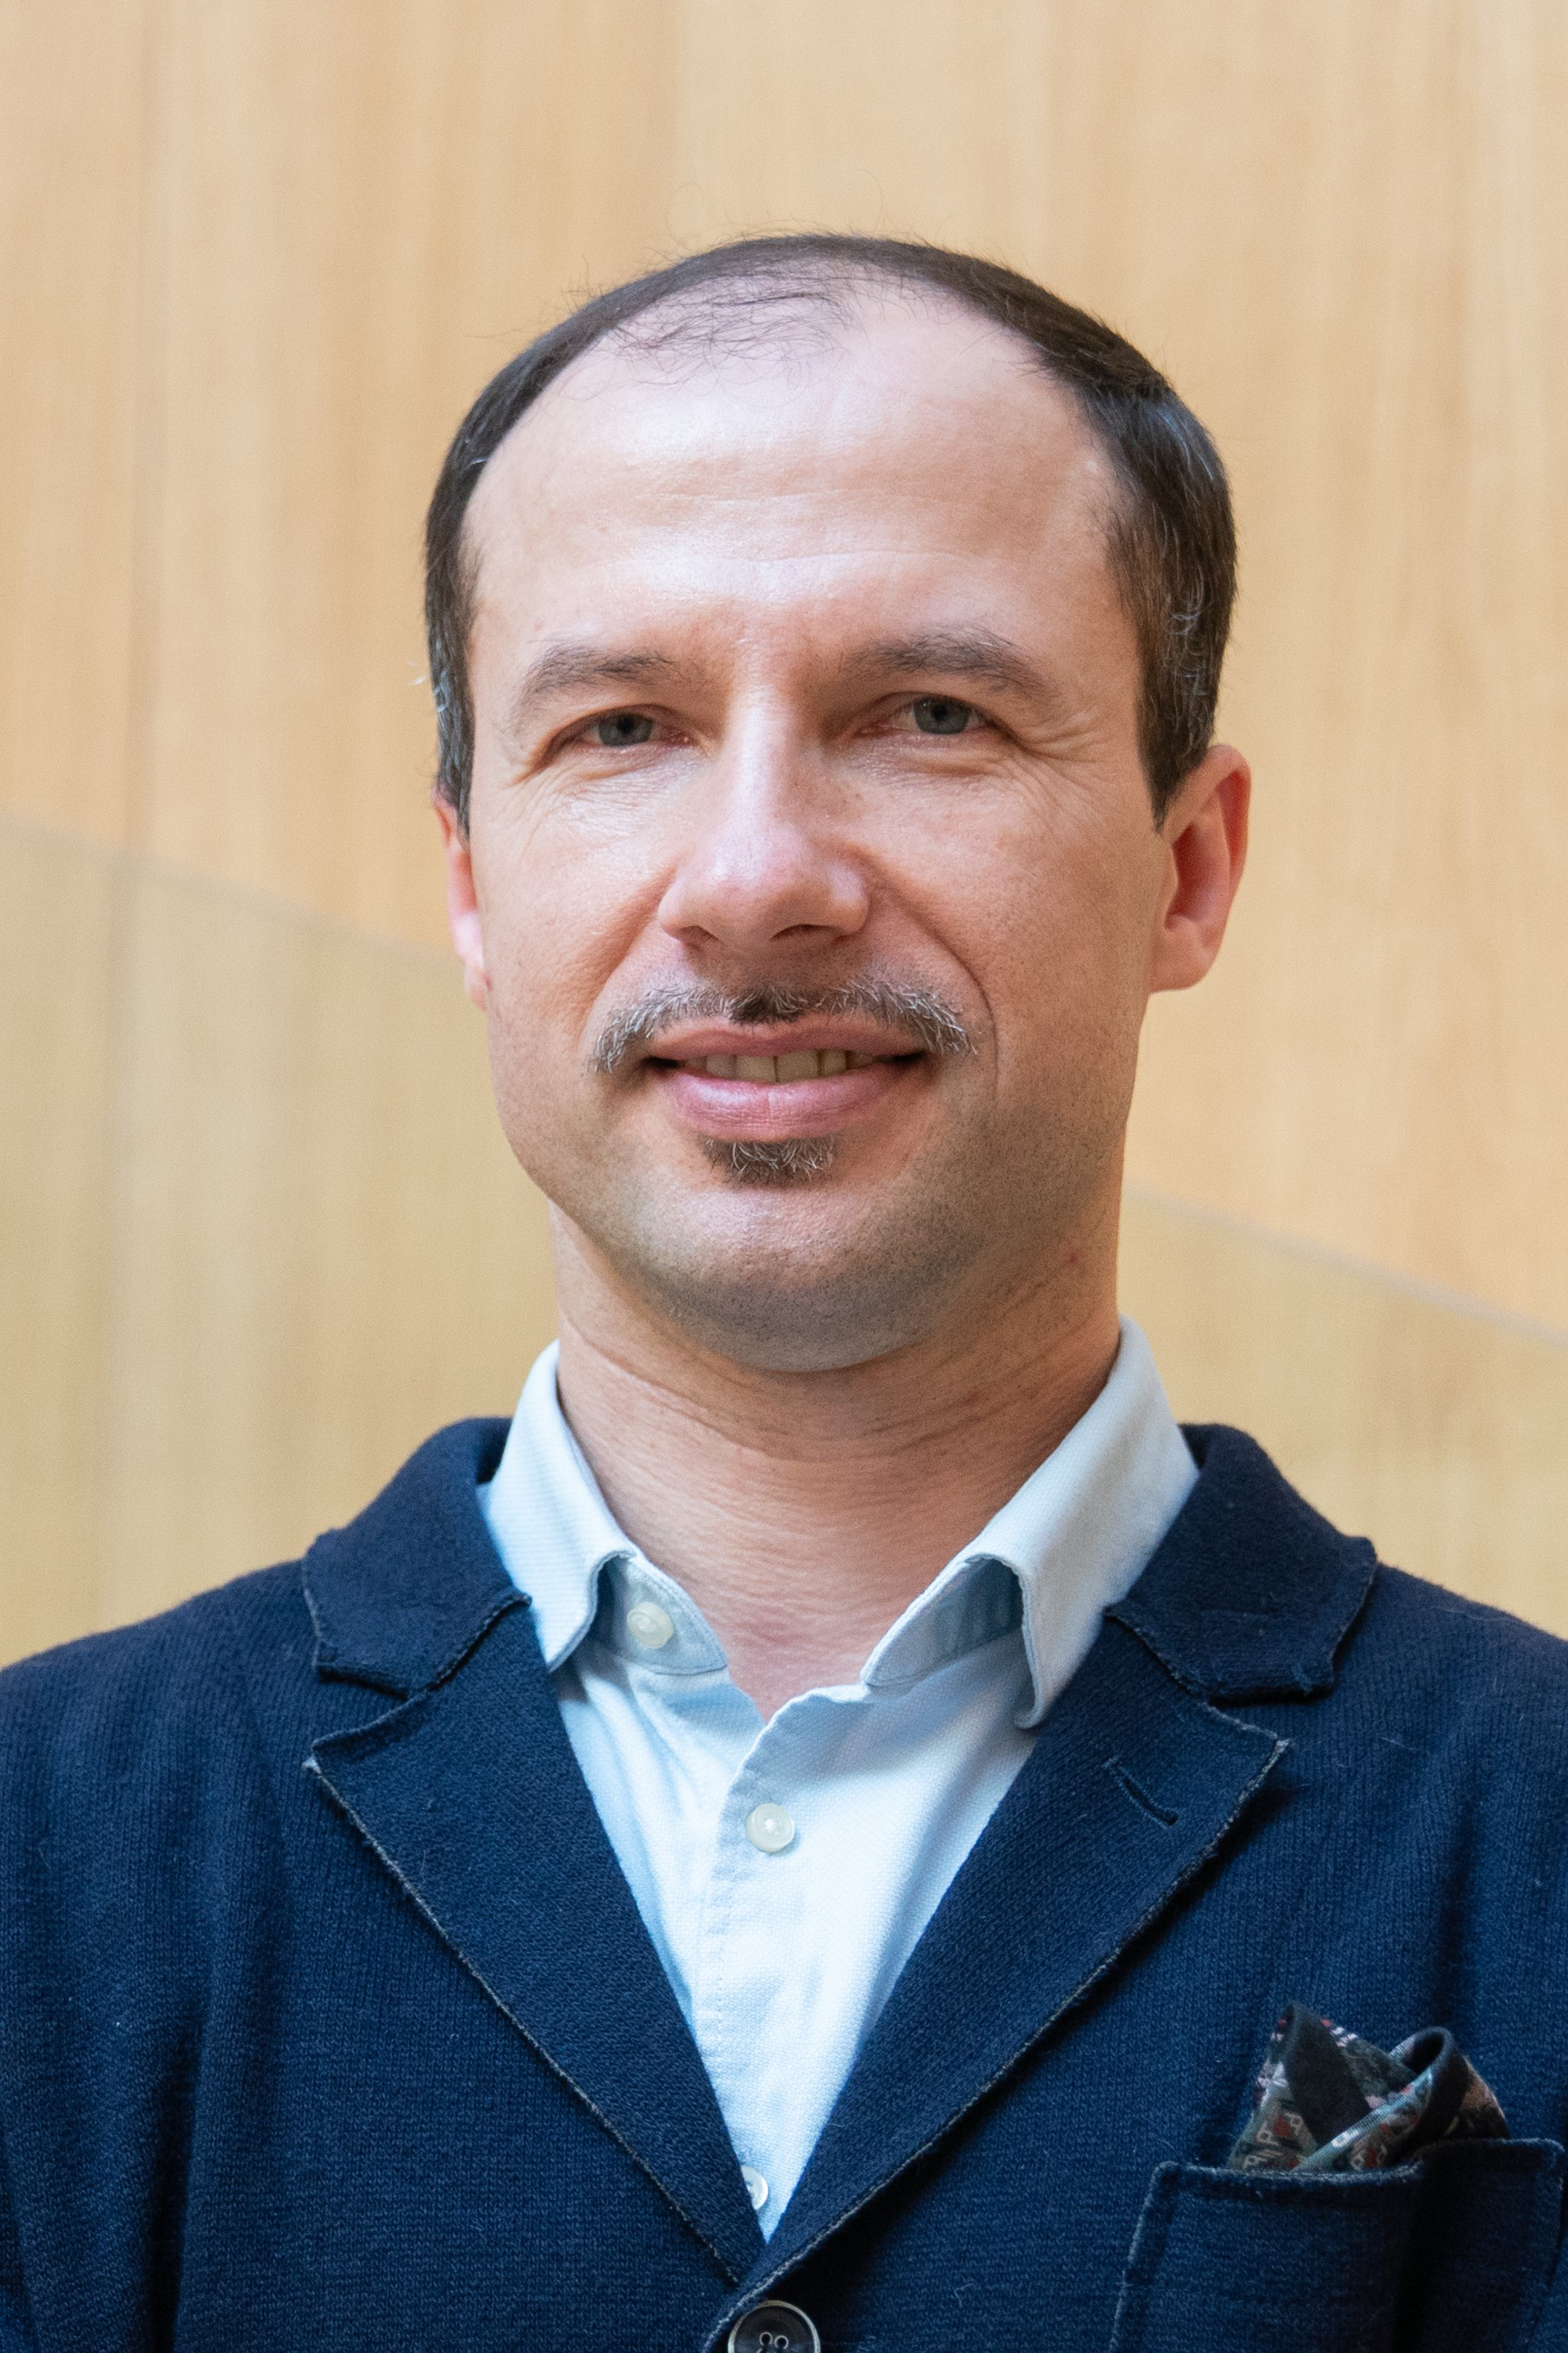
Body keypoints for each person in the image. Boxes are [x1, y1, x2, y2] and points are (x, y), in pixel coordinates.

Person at [2, 236, 1565, 2353]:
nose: (755, 881)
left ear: (1189, 868)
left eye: (929, 717)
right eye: (623, 727)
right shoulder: (42, 1857)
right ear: (472, 886)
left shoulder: (1536, 1826)